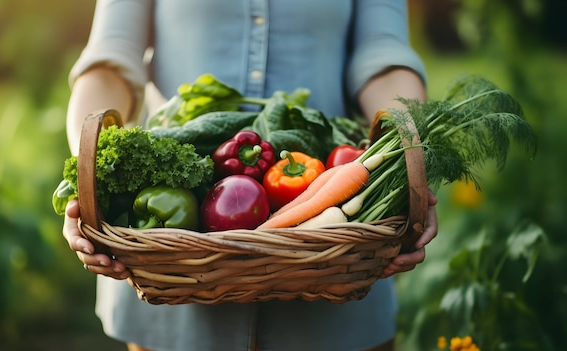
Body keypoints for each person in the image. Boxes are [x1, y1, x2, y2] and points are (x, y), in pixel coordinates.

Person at [62, 1, 439, 350]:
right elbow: (110, 59)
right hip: (167, 279)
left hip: (341, 256)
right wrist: (90, 175)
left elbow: (384, 57)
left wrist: (407, 163)